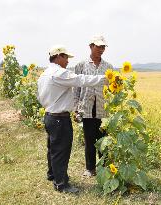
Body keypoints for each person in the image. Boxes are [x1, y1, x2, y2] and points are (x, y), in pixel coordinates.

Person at [37, 45, 105, 193]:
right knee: (61, 150)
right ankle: (61, 183)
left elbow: (39, 97)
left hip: (49, 115)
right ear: (58, 56)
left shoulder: (45, 73)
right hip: (60, 119)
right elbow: (81, 79)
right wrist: (105, 78)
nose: (68, 61)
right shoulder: (59, 73)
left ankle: (52, 174)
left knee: (53, 149)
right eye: (66, 57)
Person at [73, 35, 113, 177]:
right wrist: (76, 107)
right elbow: (76, 88)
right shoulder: (81, 65)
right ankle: (90, 169)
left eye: (103, 47)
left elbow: (112, 89)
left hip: (103, 109)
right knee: (89, 139)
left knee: (104, 140)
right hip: (87, 108)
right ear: (91, 46)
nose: (101, 49)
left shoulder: (108, 67)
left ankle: (104, 167)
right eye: (98, 46)